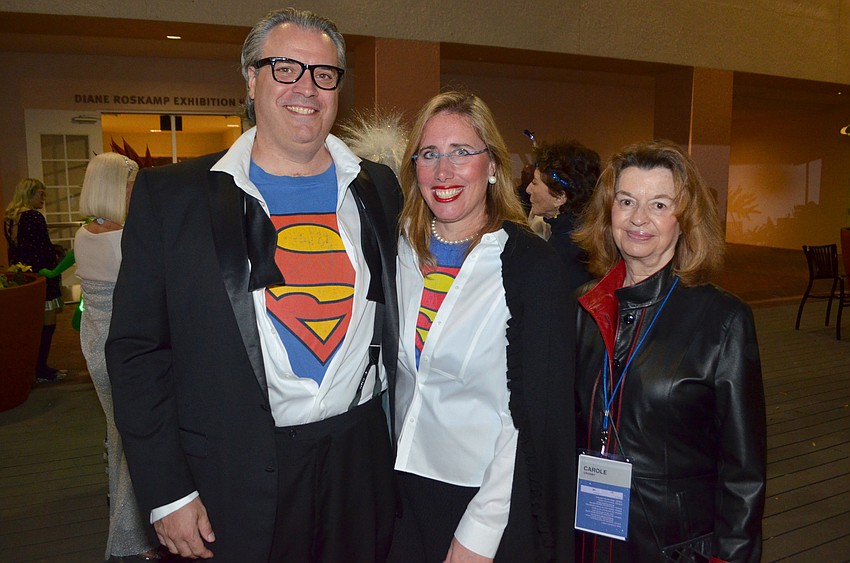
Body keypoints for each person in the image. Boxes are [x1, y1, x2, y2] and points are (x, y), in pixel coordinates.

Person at [105, 8, 401, 562]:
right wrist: (167, 491)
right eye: (286, 68)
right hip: (230, 477)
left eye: (323, 73)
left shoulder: (378, 188)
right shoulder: (172, 198)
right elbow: (136, 354)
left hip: (359, 469)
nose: (306, 88)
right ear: (250, 78)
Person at [389, 91, 576, 563]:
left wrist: (482, 529)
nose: (443, 171)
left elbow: (528, 419)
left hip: (481, 497)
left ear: (492, 165)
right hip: (396, 491)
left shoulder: (529, 267)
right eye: (429, 154)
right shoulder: (397, 252)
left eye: (461, 153)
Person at [572, 140, 766, 562]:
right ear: (609, 212)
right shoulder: (586, 306)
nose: (638, 218)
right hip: (588, 538)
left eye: (659, 205)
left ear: (686, 219)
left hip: (672, 548)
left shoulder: (723, 320)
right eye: (626, 201)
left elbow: (743, 472)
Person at [75, 153, 160, 561]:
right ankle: (136, 535)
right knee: (137, 438)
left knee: (118, 433)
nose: (135, 191)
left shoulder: (83, 234)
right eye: (130, 185)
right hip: (124, 351)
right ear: (115, 188)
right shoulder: (122, 239)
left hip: (93, 343)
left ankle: (125, 517)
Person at [3, 178, 66, 382]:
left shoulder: (11, 218)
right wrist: (55, 267)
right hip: (41, 277)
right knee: (47, 326)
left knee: (28, 327)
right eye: (41, 193)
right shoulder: (33, 216)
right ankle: (40, 369)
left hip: (23, 276)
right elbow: (42, 250)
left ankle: (31, 368)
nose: (44, 198)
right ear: (30, 193)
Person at [525, 140, 600, 291]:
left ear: (559, 197)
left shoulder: (566, 252)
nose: (528, 189)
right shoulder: (582, 234)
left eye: (534, 183)